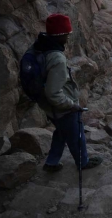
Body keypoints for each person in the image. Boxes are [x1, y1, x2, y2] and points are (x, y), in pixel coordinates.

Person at [33, 13, 103, 172]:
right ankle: (82, 162)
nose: (68, 38)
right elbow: (53, 92)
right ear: (60, 35)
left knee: (61, 132)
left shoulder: (41, 46)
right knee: (76, 133)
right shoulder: (57, 58)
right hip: (61, 106)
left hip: (47, 105)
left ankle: (51, 162)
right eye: (67, 34)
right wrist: (71, 105)